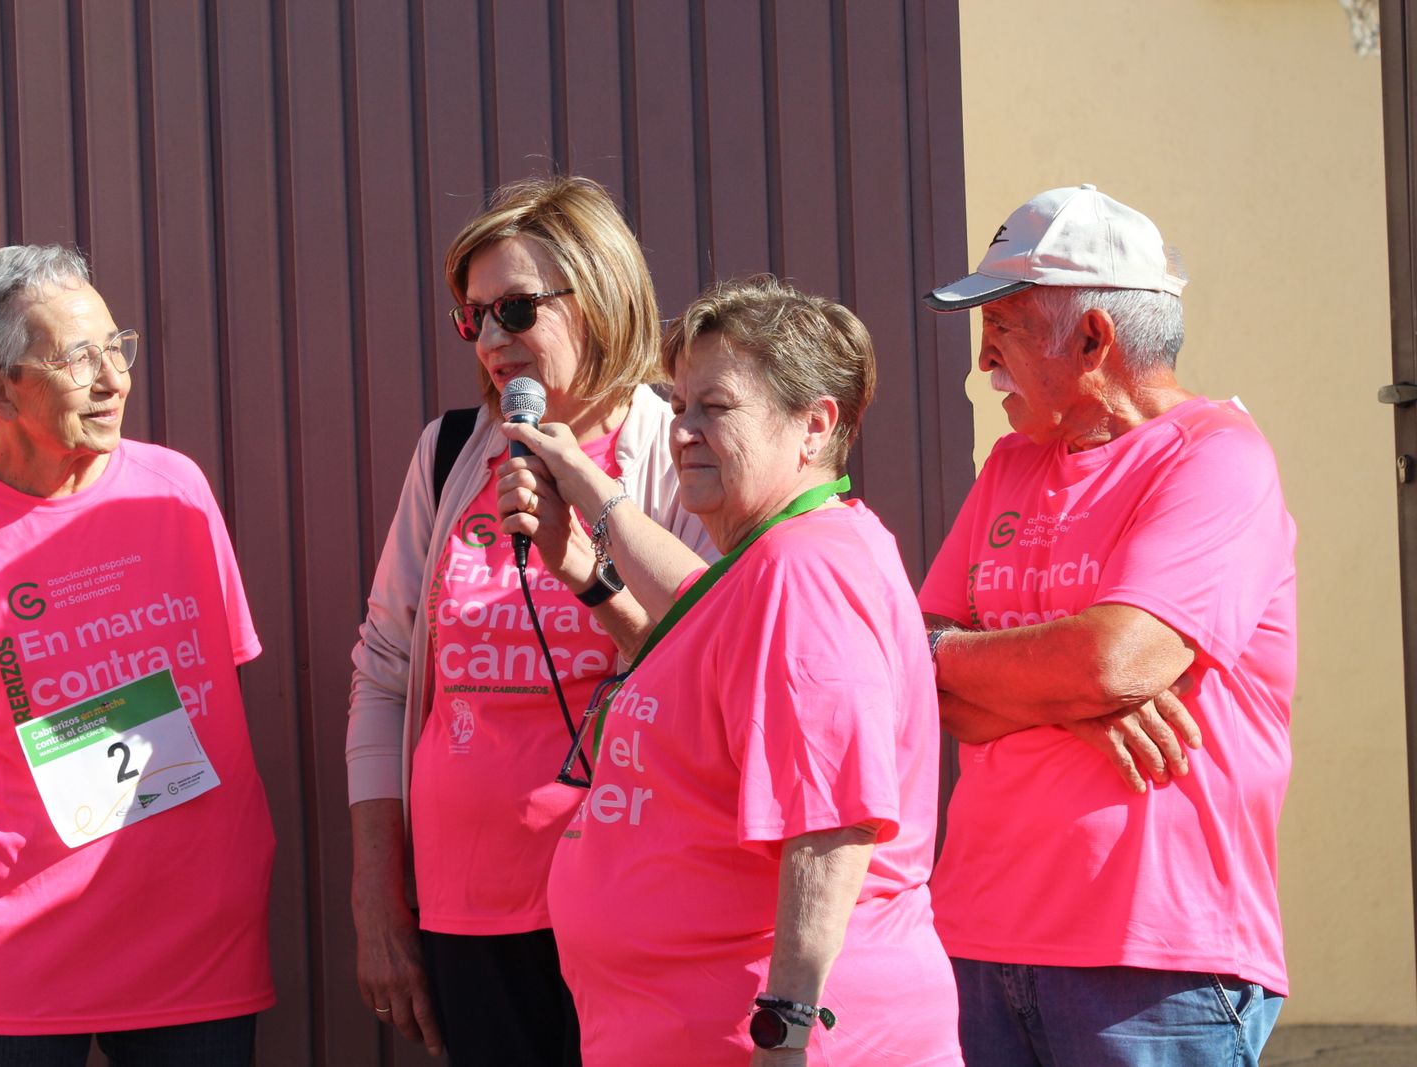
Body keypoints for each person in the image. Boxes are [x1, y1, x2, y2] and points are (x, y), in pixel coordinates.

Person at [503, 276, 962, 1066]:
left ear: (813, 424)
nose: (682, 430)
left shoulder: (803, 568)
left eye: (713, 408)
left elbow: (833, 817)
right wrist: (586, 551)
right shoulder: (767, 561)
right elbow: (690, 616)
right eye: (678, 406)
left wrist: (783, 1034)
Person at [0, 246, 275, 1065]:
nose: (112, 378)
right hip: (10, 953)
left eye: (114, 346)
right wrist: (21, 835)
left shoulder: (177, 491)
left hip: (192, 943)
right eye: (75, 358)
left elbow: (217, 682)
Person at [918, 184, 1296, 1066]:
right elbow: (918, 670)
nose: (983, 361)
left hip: (1155, 961)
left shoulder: (1217, 457)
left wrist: (1046, 677)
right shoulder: (1011, 462)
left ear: (1094, 339)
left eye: (1003, 328)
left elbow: (1113, 658)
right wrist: (1072, 695)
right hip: (980, 936)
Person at [345, 175, 711, 1065]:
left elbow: (712, 661)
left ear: (602, 297)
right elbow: (385, 668)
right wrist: (377, 895)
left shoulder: (677, 452)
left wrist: (585, 570)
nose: (492, 342)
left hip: (626, 892)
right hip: (466, 903)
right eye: (472, 319)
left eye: (515, 309)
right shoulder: (449, 456)